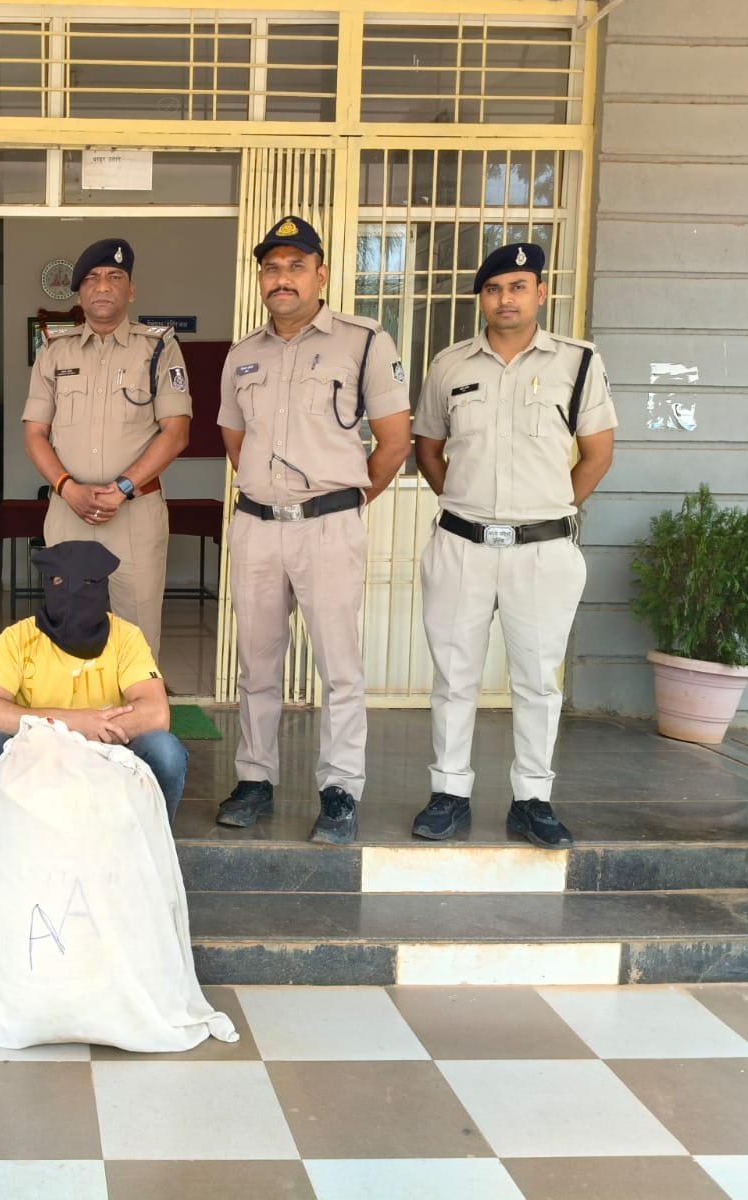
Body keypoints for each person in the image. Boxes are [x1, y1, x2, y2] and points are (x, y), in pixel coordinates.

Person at [410, 242, 617, 848]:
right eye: (494, 288)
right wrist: (466, 505)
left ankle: (532, 799)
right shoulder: (449, 364)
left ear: (540, 293)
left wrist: (547, 510)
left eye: (518, 287)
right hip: (462, 546)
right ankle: (449, 793)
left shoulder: (578, 362)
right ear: (482, 297)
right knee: (454, 677)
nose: (506, 299)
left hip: (543, 551)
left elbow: (598, 453)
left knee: (537, 680)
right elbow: (428, 448)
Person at [213, 216, 412, 843]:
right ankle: (254, 778)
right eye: (272, 268)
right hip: (257, 527)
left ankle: (340, 789)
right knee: (257, 662)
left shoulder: (364, 341)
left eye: (296, 266)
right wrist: (270, 493)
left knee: (339, 666)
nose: (283, 278)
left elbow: (395, 440)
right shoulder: (242, 354)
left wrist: (346, 501)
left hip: (328, 526)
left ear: (321, 274)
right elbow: (235, 440)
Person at [21, 237, 191, 658]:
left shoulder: (159, 348)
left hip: (135, 512)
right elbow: (34, 433)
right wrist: (67, 487)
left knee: (137, 635)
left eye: (114, 277)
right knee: (67, 630)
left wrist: (122, 489)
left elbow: (176, 432)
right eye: (92, 279)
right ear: (79, 294)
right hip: (69, 511)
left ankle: (136, 705)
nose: (102, 286)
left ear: (130, 290)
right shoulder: (54, 352)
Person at [0, 540, 187, 841]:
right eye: (59, 582)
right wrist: (73, 724)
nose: (74, 593)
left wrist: (93, 731)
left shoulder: (126, 637)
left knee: (166, 751)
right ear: (47, 586)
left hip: (109, 750)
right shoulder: (18, 638)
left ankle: (148, 847)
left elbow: (157, 712)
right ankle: (3, 847)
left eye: (88, 583)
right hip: (36, 749)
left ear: (103, 588)